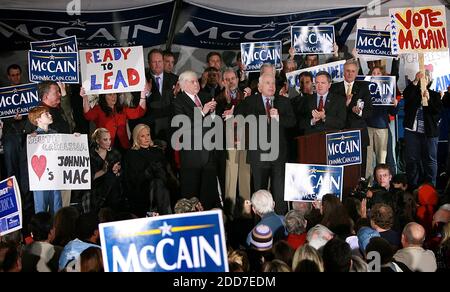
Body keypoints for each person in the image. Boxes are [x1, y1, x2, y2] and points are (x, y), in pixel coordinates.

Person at [234, 73, 296, 214]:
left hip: (278, 155)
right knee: (259, 193)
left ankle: (280, 224)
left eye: (273, 83)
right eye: (268, 83)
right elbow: (238, 118)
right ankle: (259, 224)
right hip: (258, 155)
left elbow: (292, 122)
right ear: (260, 87)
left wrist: (278, 118)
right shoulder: (250, 102)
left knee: (279, 194)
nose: (272, 86)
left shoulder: (284, 102)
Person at [172, 71, 221, 210]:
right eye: (192, 81)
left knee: (208, 195)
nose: (196, 84)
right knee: (191, 196)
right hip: (191, 156)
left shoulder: (205, 96)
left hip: (209, 153)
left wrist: (213, 113)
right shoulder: (178, 101)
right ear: (183, 84)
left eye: (197, 81)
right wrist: (202, 112)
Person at [215, 68, 251, 217]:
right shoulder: (218, 99)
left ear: (237, 79)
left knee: (245, 180)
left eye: (233, 78)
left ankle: (246, 213)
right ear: (223, 81)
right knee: (230, 181)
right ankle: (230, 215)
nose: (231, 82)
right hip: (229, 144)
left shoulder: (247, 96)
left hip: (246, 142)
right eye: (227, 79)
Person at [331, 59, 373, 177]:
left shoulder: (364, 88)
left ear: (357, 72)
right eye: (347, 71)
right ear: (343, 72)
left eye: (353, 71)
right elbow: (331, 111)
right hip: (340, 135)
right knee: (342, 170)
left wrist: (359, 112)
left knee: (360, 170)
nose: (350, 74)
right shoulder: (334, 88)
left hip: (359, 134)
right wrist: (345, 105)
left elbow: (369, 111)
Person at [403, 71, 443, 188]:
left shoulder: (435, 95)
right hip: (412, 132)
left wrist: (429, 99)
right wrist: (415, 80)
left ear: (430, 81)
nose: (423, 80)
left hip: (429, 133)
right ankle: (413, 186)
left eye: (426, 78)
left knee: (430, 160)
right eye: (421, 78)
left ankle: (431, 186)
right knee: (412, 160)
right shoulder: (412, 92)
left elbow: (437, 113)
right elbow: (406, 95)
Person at [123, 124, 173, 217]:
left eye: (148, 135)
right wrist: (148, 171)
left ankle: (165, 215)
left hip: (162, 189)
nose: (146, 138)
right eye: (142, 136)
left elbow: (167, 172)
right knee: (156, 183)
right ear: (136, 138)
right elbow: (131, 179)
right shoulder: (131, 155)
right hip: (141, 191)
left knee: (160, 183)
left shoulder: (157, 152)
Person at [81, 87, 147, 151]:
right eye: (110, 94)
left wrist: (143, 94)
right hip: (106, 147)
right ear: (104, 97)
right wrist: (85, 97)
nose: (113, 97)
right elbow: (88, 115)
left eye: (115, 94)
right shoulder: (98, 109)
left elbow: (140, 112)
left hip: (123, 146)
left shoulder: (122, 109)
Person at [27, 106, 62, 215]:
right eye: (46, 114)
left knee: (57, 208)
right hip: (40, 179)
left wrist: (75, 139)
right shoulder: (32, 138)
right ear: (38, 119)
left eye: (49, 113)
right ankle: (40, 232)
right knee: (41, 209)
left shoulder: (55, 134)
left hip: (55, 177)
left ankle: (57, 231)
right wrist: (31, 140)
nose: (50, 115)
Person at [365, 66, 400, 179]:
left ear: (382, 75)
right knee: (369, 159)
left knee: (382, 159)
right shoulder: (366, 89)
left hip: (382, 127)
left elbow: (392, 112)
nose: (375, 75)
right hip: (368, 127)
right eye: (373, 73)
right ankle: (369, 184)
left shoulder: (387, 91)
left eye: (378, 73)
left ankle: (383, 183)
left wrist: (395, 105)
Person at [142, 49, 178, 142]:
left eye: (159, 61)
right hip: (151, 128)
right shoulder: (142, 79)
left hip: (171, 127)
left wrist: (176, 96)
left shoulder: (175, 79)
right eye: (154, 62)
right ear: (149, 63)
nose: (157, 64)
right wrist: (147, 93)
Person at [88, 128, 122, 213]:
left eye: (110, 139)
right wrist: (103, 171)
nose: (109, 142)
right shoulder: (90, 154)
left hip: (113, 189)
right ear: (97, 140)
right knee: (110, 178)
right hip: (96, 187)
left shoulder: (114, 153)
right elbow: (88, 178)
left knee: (112, 179)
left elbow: (121, 173)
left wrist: (116, 171)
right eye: (105, 139)